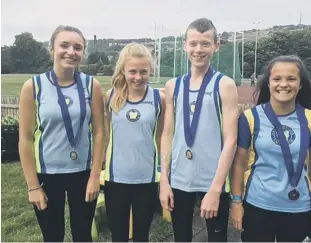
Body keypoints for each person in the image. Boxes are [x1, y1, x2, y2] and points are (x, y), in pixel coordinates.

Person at [18, 25, 105, 242]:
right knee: (53, 236)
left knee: (83, 235)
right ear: (52, 49)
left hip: (83, 173)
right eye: (64, 45)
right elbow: (25, 139)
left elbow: (100, 132)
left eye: (78, 47)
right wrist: (33, 186)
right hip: (47, 174)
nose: (71, 52)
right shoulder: (33, 86)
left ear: (83, 53)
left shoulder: (91, 85)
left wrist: (95, 176)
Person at [230, 55, 311, 242]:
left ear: (300, 84)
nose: (283, 84)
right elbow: (238, 163)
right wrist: (236, 202)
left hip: (298, 207)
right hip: (257, 206)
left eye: (291, 79)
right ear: (268, 83)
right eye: (277, 79)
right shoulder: (250, 118)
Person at [159, 18, 238, 242]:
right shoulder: (173, 85)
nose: (198, 50)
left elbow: (230, 140)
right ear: (185, 45)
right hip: (179, 178)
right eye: (193, 43)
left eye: (205, 43)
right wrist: (164, 179)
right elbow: (166, 134)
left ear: (216, 46)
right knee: (181, 237)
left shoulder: (224, 85)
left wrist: (216, 188)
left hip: (212, 179)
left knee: (216, 238)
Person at [104, 43, 165, 242]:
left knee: (142, 235)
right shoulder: (111, 97)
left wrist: (163, 171)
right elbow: (105, 134)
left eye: (143, 71)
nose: (137, 77)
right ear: (123, 70)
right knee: (118, 235)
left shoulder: (158, 99)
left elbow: (162, 137)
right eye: (132, 71)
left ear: (151, 71)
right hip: (116, 178)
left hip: (146, 179)